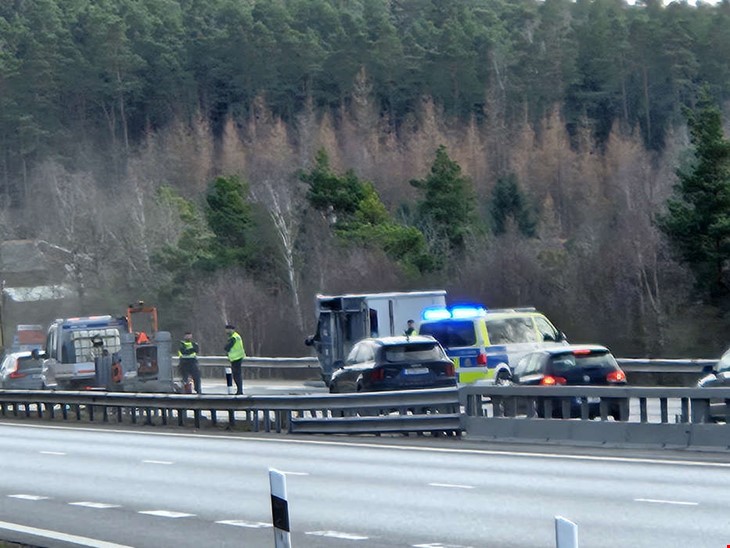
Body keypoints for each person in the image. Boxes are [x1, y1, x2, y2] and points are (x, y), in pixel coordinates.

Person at [225, 324, 245, 395]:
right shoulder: (236, 336)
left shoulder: (233, 338)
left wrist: (226, 347)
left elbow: (227, 347)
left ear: (232, 330)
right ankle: (240, 390)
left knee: (236, 375)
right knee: (237, 375)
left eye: (228, 330)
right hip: (238, 357)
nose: (227, 331)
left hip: (236, 358)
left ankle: (239, 391)